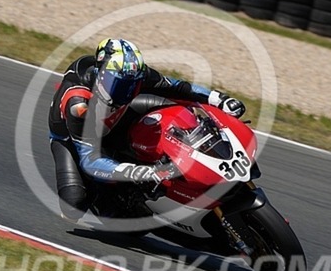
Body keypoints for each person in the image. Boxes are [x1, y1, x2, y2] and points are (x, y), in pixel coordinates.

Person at [48, 38, 246, 221]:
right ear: (100, 75)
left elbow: (177, 87)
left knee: (176, 110)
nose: (125, 91)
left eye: (131, 85)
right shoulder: (78, 104)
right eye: (117, 85)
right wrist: (141, 172)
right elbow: (90, 160)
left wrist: (219, 99)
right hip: (73, 138)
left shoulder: (135, 73)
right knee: (74, 205)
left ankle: (203, 156)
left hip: (119, 116)